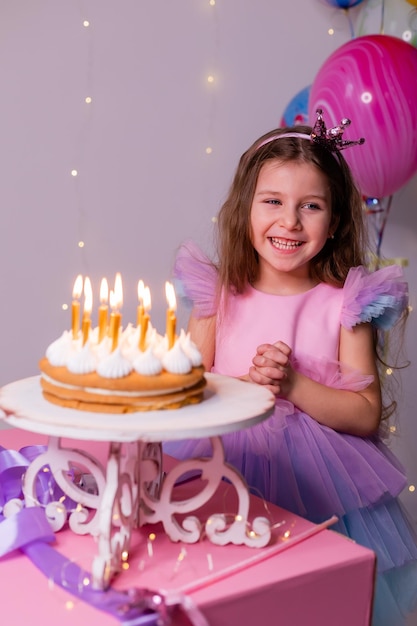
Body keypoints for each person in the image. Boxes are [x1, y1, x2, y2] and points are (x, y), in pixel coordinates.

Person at [165, 110, 417, 625]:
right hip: (223, 474)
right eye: (273, 202)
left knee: (311, 600)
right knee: (226, 594)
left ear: (336, 220)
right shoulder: (217, 296)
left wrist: (293, 383)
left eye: (311, 206)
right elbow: (185, 392)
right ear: (246, 209)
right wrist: (245, 386)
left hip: (326, 493)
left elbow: (366, 415)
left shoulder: (346, 304)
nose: (290, 222)